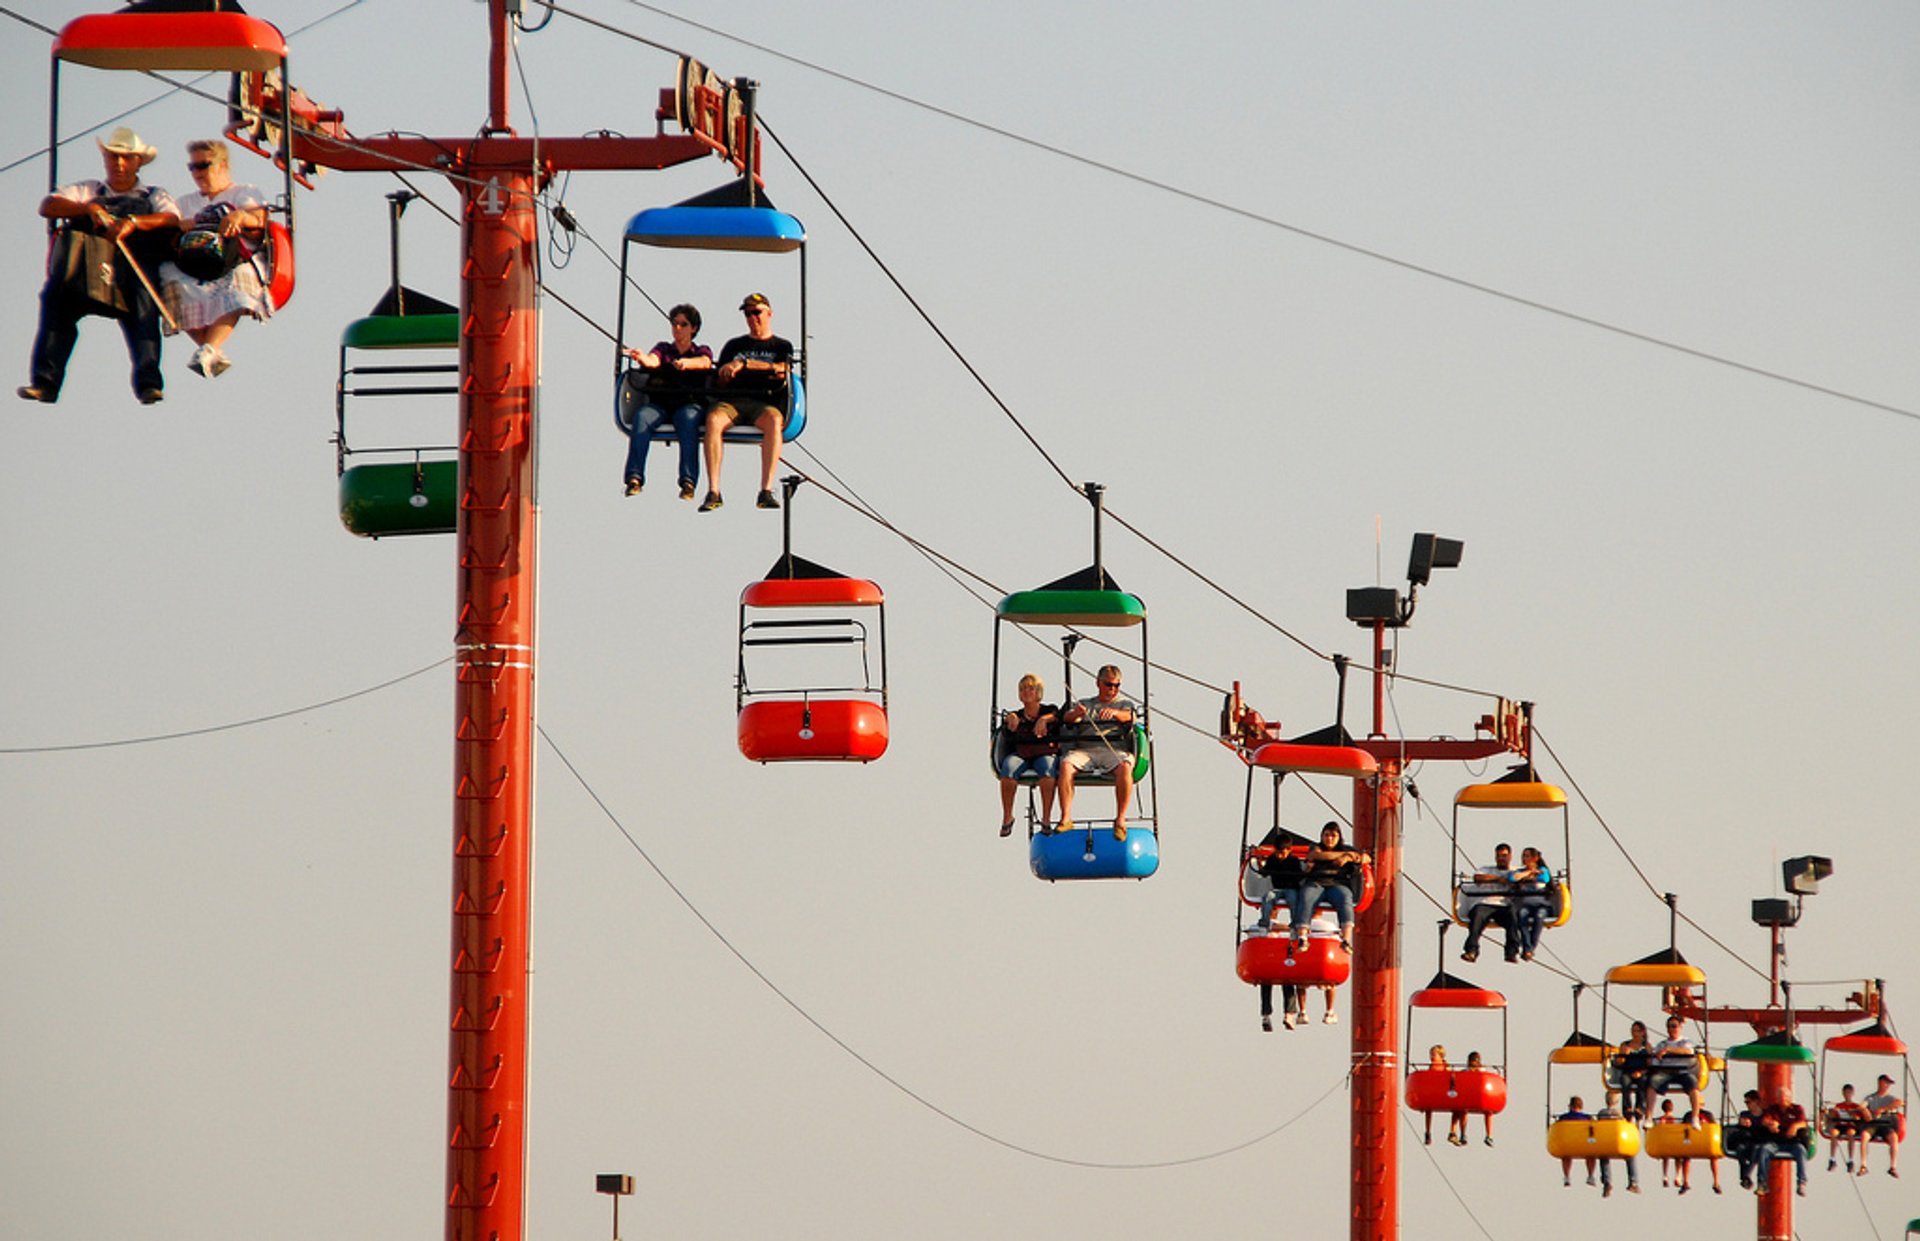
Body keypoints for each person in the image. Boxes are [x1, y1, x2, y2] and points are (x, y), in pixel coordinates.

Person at [19, 127, 180, 405]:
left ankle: (148, 382)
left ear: (138, 162)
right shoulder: (87, 190)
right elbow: (48, 205)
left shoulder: (154, 194)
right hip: (86, 269)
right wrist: (86, 209)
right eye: (113, 157)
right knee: (55, 300)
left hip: (132, 271)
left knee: (145, 309)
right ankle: (46, 382)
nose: (118, 164)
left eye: (126, 158)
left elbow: (170, 219)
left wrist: (133, 223)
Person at [156, 139, 272, 379]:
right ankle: (210, 349)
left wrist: (240, 217)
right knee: (169, 278)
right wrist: (180, 227)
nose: (197, 173)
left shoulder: (243, 192)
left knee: (238, 280)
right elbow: (170, 236)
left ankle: (208, 348)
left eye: (203, 166)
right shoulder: (186, 203)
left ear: (222, 165)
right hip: (195, 262)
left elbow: (259, 221)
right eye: (193, 167)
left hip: (233, 258)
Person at [699, 292, 793, 512]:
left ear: (769, 314)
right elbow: (718, 379)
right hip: (733, 402)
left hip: (763, 402)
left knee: (774, 420)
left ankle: (766, 489)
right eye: (748, 314)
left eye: (757, 312)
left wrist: (745, 364)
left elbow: (782, 370)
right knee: (713, 420)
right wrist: (725, 374)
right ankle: (714, 490)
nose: (753, 318)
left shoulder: (781, 346)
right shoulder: (734, 345)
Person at [621, 303, 712, 499]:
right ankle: (634, 477)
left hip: (687, 403)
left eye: (683, 324)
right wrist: (642, 358)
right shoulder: (664, 349)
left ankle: (688, 481)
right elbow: (654, 360)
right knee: (642, 417)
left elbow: (705, 362)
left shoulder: (700, 350)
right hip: (661, 404)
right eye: (674, 324)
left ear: (693, 328)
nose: (677, 329)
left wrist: (686, 364)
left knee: (688, 421)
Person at [1055, 665, 1138, 840]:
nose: (1113, 689)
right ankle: (1066, 817)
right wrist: (1077, 714)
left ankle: (1120, 820)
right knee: (1066, 765)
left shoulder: (1124, 704)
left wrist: (1115, 713)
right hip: (1086, 750)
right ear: (1098, 683)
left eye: (1116, 685)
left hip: (1113, 750)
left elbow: (1130, 716)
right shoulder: (1086, 704)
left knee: (1125, 766)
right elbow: (1067, 718)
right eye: (1109, 685)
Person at [1286, 823, 1367, 953]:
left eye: (1333, 836)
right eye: (1326, 835)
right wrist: (1346, 856)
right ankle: (1302, 936)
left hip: (1336, 884)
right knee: (1306, 897)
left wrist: (1348, 857)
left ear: (1339, 837)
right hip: (1316, 883)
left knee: (1345, 898)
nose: (1329, 839)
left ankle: (1346, 939)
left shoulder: (1346, 849)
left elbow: (1366, 858)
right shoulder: (1316, 848)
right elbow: (1318, 855)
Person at [996, 673, 1059, 835]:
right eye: (1023, 689)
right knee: (1008, 768)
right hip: (1023, 753)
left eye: (1030, 688)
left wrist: (1045, 719)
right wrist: (1010, 718)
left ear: (1038, 692)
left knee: (1047, 769)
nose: (1026, 692)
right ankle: (1007, 816)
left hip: (1042, 752)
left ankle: (1046, 818)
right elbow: (1008, 724)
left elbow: (1058, 715)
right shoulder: (1016, 716)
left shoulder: (1048, 711)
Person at [1458, 843, 1515, 963]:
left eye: (1504, 856)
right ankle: (1471, 950)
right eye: (1498, 856)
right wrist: (1498, 879)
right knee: (1477, 916)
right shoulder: (1486, 869)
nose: (1501, 859)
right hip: (1485, 904)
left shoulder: (1515, 871)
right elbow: (1478, 878)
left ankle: (1511, 952)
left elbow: (1523, 880)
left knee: (1513, 916)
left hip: (1504, 906)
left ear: (1510, 856)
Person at [1648, 1015, 1705, 1122]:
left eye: (1674, 1026)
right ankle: (1649, 1116)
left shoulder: (1686, 1042)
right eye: (1669, 1027)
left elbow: (1688, 1051)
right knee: (1652, 1082)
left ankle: (1695, 1116)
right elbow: (1655, 1060)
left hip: (1682, 1072)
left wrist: (1668, 1050)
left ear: (1680, 1028)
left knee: (1693, 1083)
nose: (1671, 1029)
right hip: (1666, 1072)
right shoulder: (1661, 1044)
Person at [1754, 1094, 1810, 1197]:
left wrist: (1795, 1126)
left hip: (1792, 1142)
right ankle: (1762, 1183)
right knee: (1764, 1150)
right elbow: (1764, 1120)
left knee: (1801, 1151)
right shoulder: (1772, 1109)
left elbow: (1803, 1122)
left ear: (1789, 1099)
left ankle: (1802, 1182)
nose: (1782, 1100)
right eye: (1780, 1098)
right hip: (1776, 1142)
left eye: (1784, 1098)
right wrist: (1770, 1124)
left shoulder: (1797, 1109)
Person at [1509, 846, 1554, 960]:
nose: (1524, 858)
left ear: (1535, 858)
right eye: (1523, 856)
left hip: (1541, 905)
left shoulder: (1543, 870)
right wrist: (1529, 872)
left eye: (1527, 856)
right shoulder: (1520, 871)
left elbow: (1544, 878)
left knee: (1539, 917)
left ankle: (1529, 948)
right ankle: (1528, 949)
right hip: (1526, 905)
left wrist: (1525, 878)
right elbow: (1513, 878)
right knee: (1521, 916)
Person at [1595, 1100, 1643, 1196]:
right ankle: (1633, 1182)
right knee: (1630, 1156)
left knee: (1604, 1157)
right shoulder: (1620, 1114)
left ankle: (1607, 1182)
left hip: (1606, 1142)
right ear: (1616, 1101)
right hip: (1619, 1141)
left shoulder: (1601, 1113)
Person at [1609, 1020, 1653, 1117]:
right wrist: (1624, 1055)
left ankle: (1640, 1107)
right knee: (1625, 1081)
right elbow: (1618, 1063)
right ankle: (1627, 1108)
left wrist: (1641, 1072)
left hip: (1642, 1072)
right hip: (1628, 1071)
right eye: (1633, 1031)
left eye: (1637, 1031)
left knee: (1643, 1081)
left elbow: (1650, 1064)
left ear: (1642, 1032)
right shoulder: (1625, 1045)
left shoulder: (1647, 1046)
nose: (1635, 1034)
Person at [1862, 1073, 1903, 1177]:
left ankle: (1893, 1166)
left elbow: (1900, 1102)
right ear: (1880, 1083)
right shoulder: (1871, 1098)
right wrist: (1865, 1111)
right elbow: (1862, 1105)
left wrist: (1883, 1109)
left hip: (1886, 1124)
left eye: (1888, 1084)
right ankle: (1863, 1165)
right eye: (1886, 1083)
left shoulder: (1890, 1098)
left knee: (1894, 1138)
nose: (1887, 1085)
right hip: (1873, 1124)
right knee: (1864, 1135)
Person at [1826, 1082, 1868, 1173]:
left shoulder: (1856, 1106)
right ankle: (1832, 1159)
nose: (1847, 1094)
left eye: (1849, 1092)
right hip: (1841, 1125)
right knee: (1833, 1133)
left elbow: (1858, 1118)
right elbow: (1833, 1117)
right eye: (1846, 1092)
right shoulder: (1839, 1106)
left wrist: (1852, 1114)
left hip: (1851, 1126)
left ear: (1852, 1093)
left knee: (1850, 1133)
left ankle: (1850, 1160)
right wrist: (1834, 1112)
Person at [1558, 1096, 1599, 1188]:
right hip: (1584, 1143)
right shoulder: (1588, 1118)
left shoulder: (1563, 1118)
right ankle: (1590, 1175)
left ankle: (1566, 1176)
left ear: (1570, 1106)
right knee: (1591, 1155)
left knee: (1566, 1156)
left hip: (1569, 1143)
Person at [1729, 1089, 1766, 1189]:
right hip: (1746, 1141)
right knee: (1740, 1149)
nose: (1747, 1105)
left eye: (1748, 1102)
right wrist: (1742, 1123)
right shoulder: (1745, 1114)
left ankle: (1745, 1176)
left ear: (1756, 1102)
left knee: (1756, 1150)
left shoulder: (1765, 1115)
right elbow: (1741, 1124)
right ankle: (1746, 1176)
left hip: (1758, 1141)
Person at [1424, 1045, 1450, 1145]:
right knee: (1428, 1110)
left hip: (1443, 1091)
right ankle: (1428, 1132)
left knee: (1458, 1109)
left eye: (1433, 1055)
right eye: (1431, 1054)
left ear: (1441, 1056)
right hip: (1433, 1091)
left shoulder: (1446, 1067)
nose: (1431, 1057)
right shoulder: (1431, 1067)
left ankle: (1453, 1132)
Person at [1652, 1097, 1682, 1187]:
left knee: (1665, 1158)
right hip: (1674, 1143)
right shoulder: (1676, 1120)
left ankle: (1665, 1176)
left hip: (1664, 1143)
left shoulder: (1659, 1121)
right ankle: (1677, 1176)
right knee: (1678, 1158)